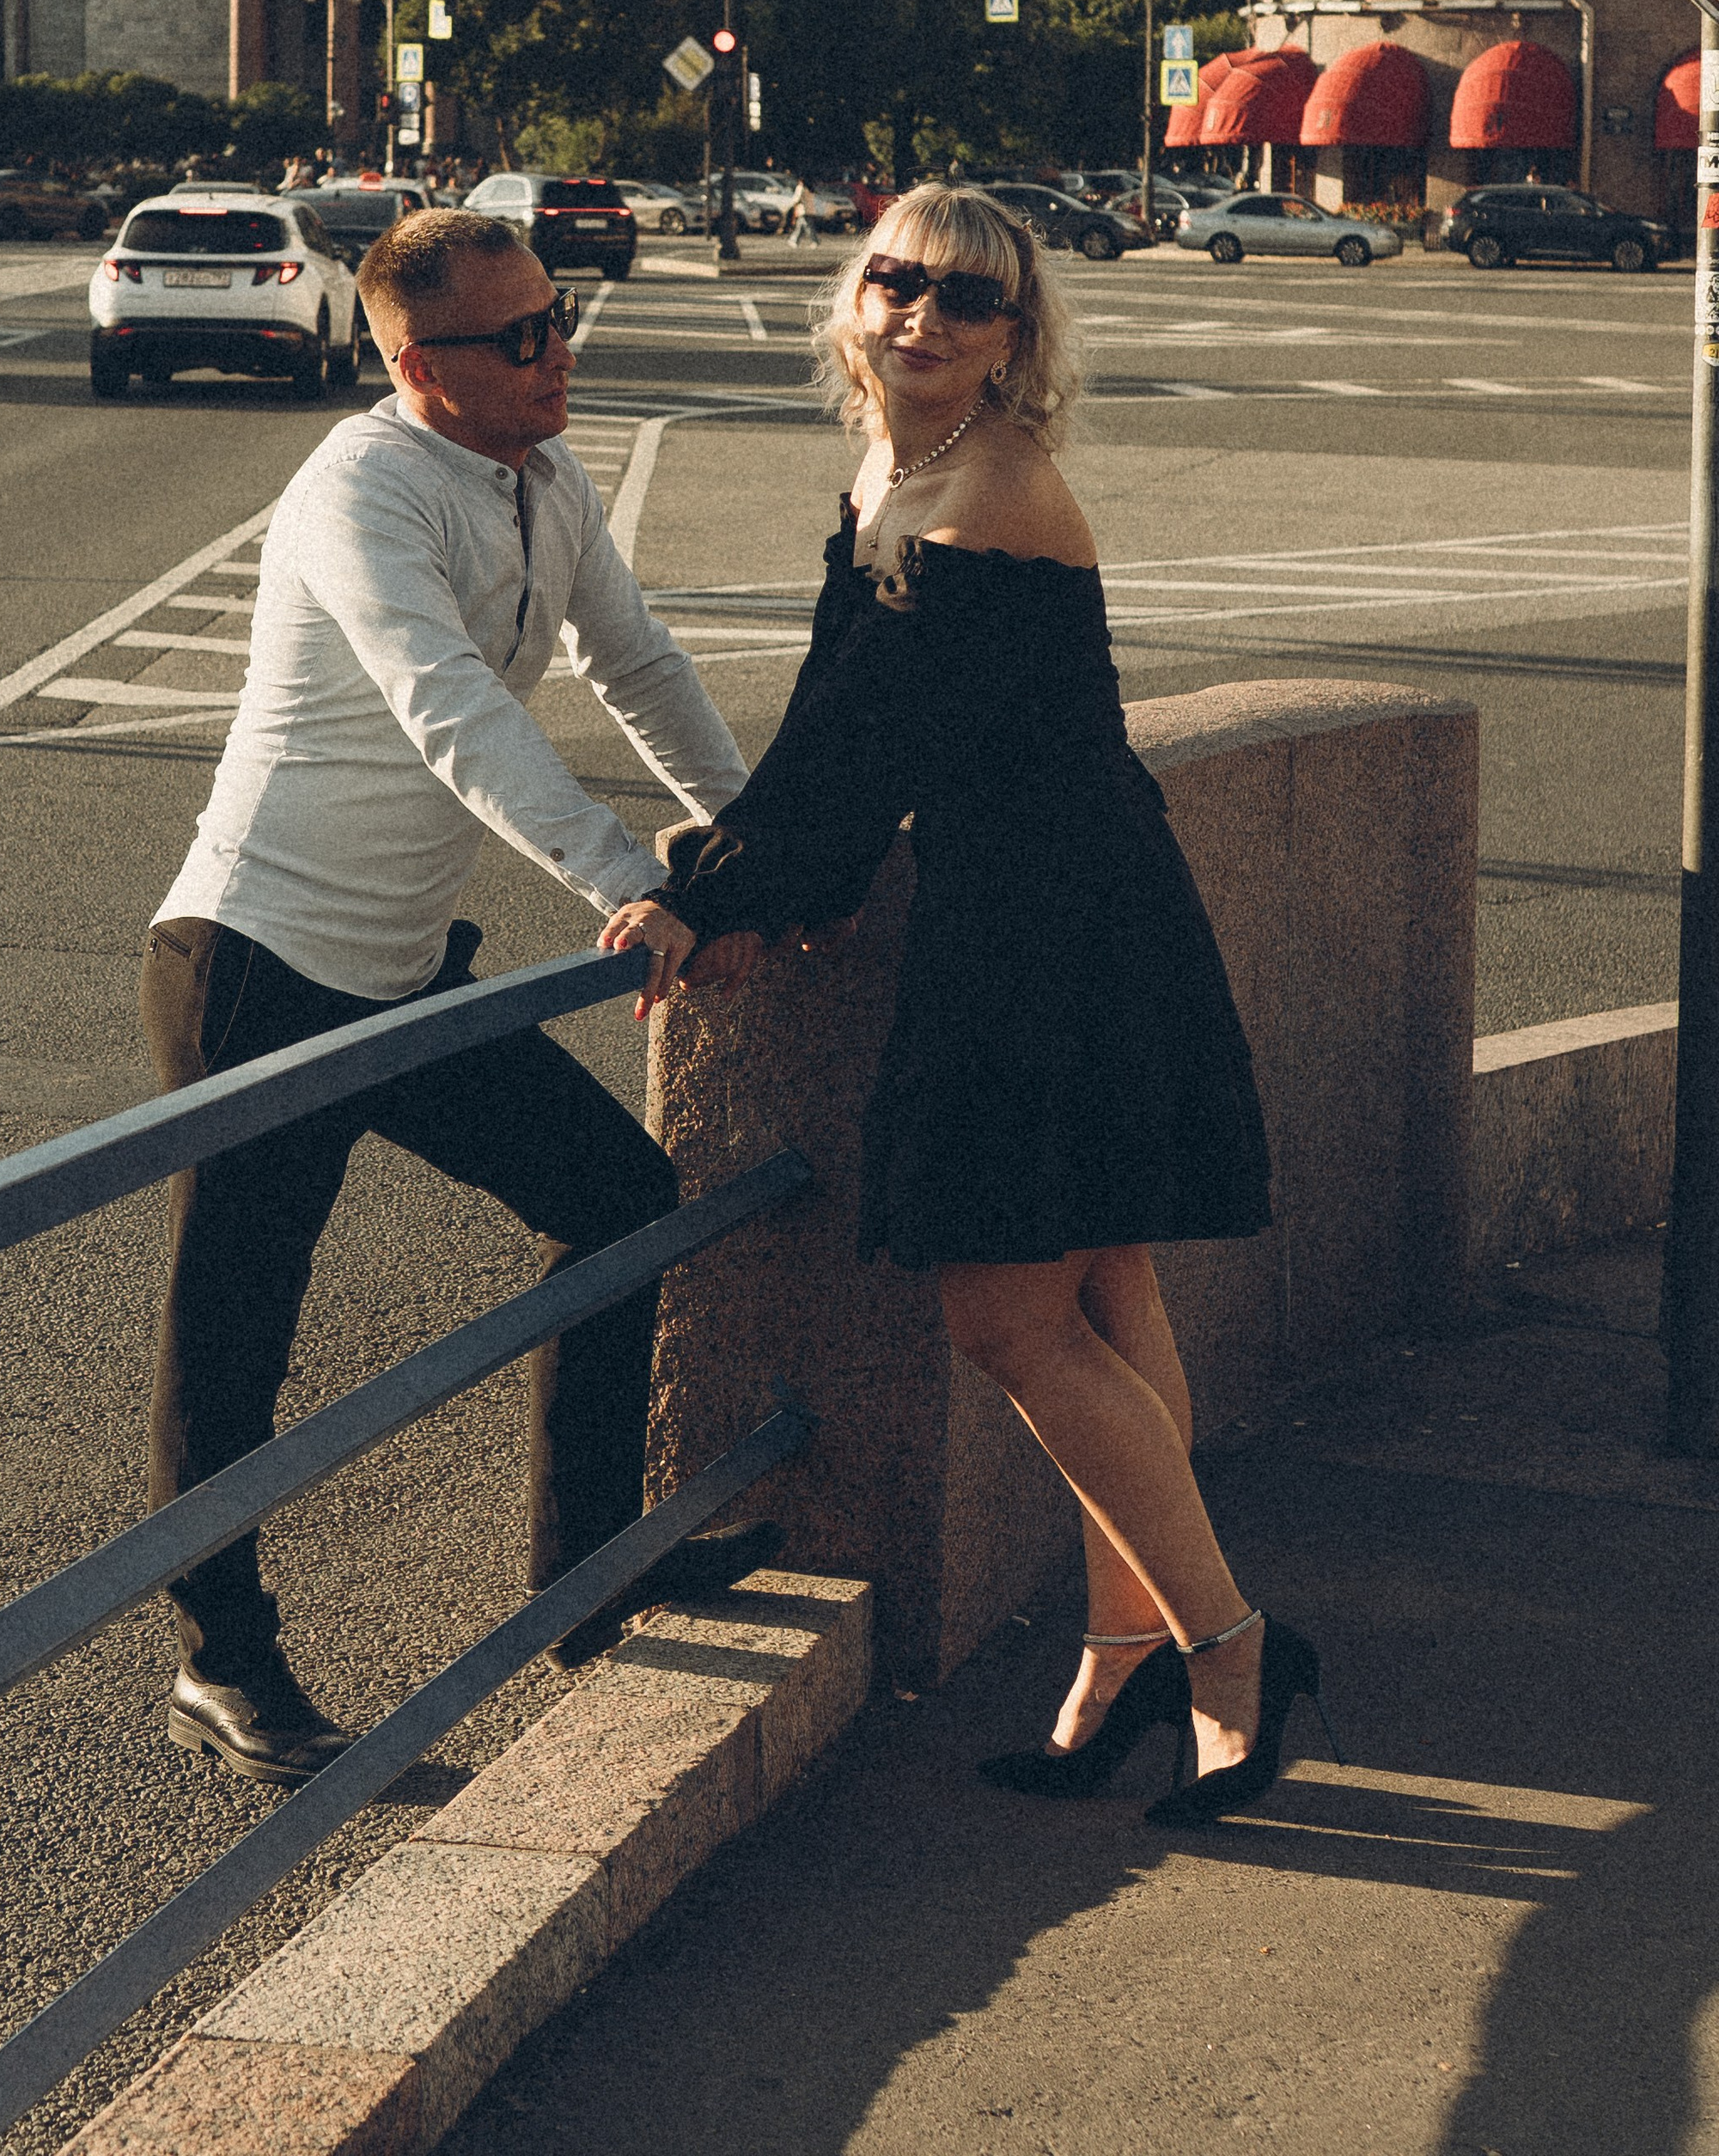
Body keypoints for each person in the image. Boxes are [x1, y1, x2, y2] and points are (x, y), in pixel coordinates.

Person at [602, 185, 1319, 1829]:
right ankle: (1126, 1656)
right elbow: (842, 717)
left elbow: (861, 748)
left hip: (1052, 924)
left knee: (1003, 1315)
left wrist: (708, 897)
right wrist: (758, 873)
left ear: (1015, 343)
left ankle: (1234, 1650)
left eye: (967, 302)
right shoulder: (894, 469)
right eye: (897, 282)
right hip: (1049, 898)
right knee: (1106, 1285)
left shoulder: (986, 494)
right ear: (855, 299)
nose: (922, 317)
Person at [142, 205, 775, 1786]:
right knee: (236, 1340)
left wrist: (755, 852)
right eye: (522, 338)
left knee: (624, 1199)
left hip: (408, 974)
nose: (559, 353)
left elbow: (639, 665)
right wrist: (626, 878)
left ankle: (586, 1566)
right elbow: (449, 715)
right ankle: (224, 1665)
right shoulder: (360, 491)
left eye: (561, 320)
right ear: (419, 367)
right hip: (258, 971)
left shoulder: (544, 482)